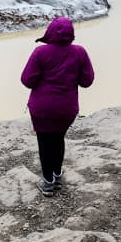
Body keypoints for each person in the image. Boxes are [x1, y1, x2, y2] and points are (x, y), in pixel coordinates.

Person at [20, 16, 95, 196]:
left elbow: (27, 80)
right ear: (71, 34)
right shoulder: (80, 52)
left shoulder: (40, 52)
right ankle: (57, 175)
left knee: (45, 143)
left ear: (50, 32)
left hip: (42, 108)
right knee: (58, 139)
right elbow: (87, 81)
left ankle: (48, 183)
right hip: (66, 109)